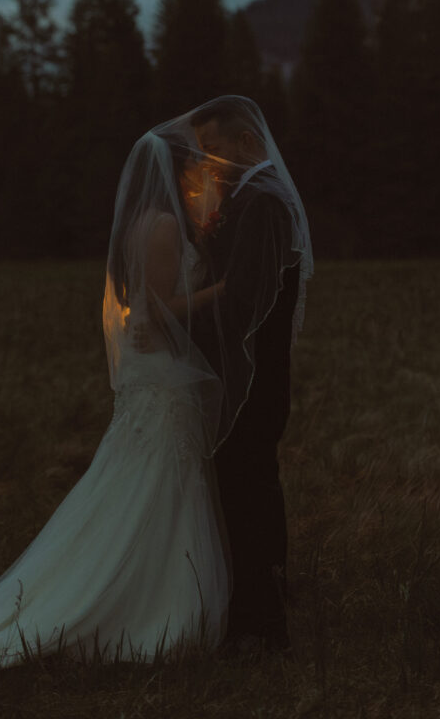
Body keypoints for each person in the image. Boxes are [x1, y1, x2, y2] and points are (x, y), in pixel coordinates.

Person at [0, 132, 228, 685]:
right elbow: (157, 313)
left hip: (153, 372)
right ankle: (146, 610)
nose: (206, 180)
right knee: (153, 481)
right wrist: (223, 291)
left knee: (143, 480)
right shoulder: (161, 227)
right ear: (177, 175)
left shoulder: (149, 222)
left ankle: (148, 594)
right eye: (198, 171)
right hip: (159, 378)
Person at [152, 96, 313, 651]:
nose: (210, 163)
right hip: (254, 375)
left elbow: (246, 299)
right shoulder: (251, 198)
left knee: (246, 491)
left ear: (247, 142)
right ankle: (263, 604)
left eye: (215, 149)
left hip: (252, 377)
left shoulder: (264, 201)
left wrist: (173, 331)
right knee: (251, 487)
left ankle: (260, 626)